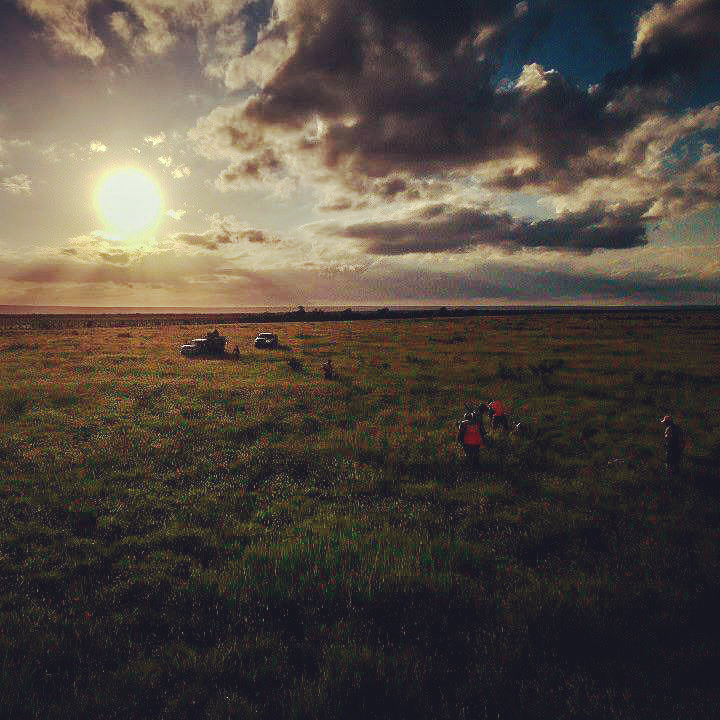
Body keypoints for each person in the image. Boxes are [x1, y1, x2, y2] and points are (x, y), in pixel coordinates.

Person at [660, 414, 684, 480]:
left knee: (669, 463)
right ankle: (678, 477)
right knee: (676, 463)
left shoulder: (669, 429)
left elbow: (668, 439)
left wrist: (666, 446)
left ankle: (670, 477)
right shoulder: (677, 428)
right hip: (678, 449)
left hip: (671, 449)